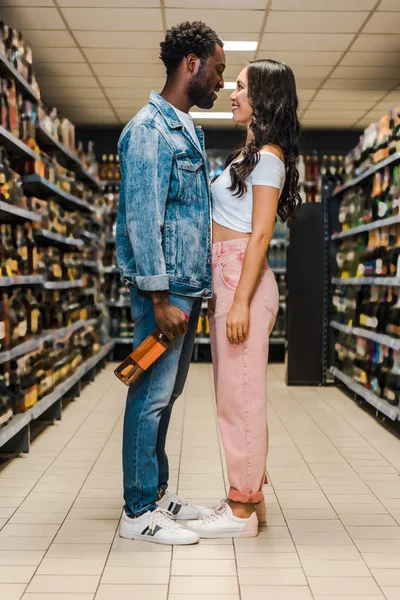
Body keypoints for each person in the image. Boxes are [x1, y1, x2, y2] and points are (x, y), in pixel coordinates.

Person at [116, 21, 225, 545]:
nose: (221, 82)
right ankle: (137, 511)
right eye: (218, 70)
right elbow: (142, 219)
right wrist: (158, 297)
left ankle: (156, 495)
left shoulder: (187, 130)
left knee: (169, 393)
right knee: (149, 396)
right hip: (163, 293)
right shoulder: (148, 130)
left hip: (187, 287)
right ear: (191, 65)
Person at [186, 59, 302, 539]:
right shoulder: (250, 155)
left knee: (242, 399)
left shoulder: (269, 157)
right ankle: (249, 498)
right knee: (234, 396)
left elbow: (259, 235)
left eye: (240, 87)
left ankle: (239, 512)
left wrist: (237, 303)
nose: (231, 94)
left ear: (264, 97)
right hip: (229, 277)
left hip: (242, 281)